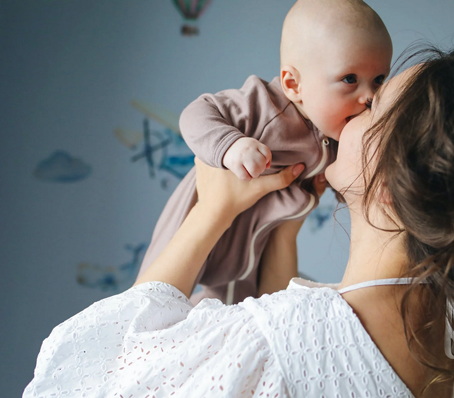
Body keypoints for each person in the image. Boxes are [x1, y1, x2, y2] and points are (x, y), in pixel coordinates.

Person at [24, 46, 454, 398]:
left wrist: (213, 211)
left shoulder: (287, 338)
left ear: (399, 185)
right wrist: (286, 230)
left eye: (374, 106)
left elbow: (99, 371)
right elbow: (318, 360)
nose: (353, 108)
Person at [136, 0, 393, 305]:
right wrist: (230, 145)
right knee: (154, 300)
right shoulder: (264, 105)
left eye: (378, 80)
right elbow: (196, 113)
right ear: (293, 84)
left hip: (256, 242)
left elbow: (349, 184)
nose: (369, 97)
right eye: (350, 79)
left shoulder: (338, 133)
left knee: (237, 310)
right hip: (201, 216)